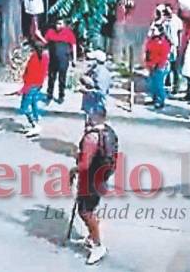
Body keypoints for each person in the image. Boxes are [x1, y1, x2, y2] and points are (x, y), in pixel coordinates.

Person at [72, 107, 118, 265]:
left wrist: (73, 170)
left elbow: (84, 165)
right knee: (89, 208)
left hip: (89, 179)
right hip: (102, 176)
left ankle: (98, 245)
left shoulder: (91, 138)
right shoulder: (109, 132)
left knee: (85, 211)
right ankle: (92, 235)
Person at [17, 42, 49, 135]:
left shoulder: (33, 58)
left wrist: (23, 89)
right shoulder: (45, 57)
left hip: (30, 85)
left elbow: (29, 74)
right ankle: (36, 119)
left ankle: (34, 124)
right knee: (34, 102)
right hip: (38, 84)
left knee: (25, 107)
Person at [43, 18, 77, 104]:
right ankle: (49, 94)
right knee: (51, 77)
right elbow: (44, 43)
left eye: (60, 23)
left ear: (64, 25)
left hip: (63, 59)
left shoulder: (68, 33)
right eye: (57, 23)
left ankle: (61, 95)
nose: (57, 25)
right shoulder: (50, 32)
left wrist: (74, 59)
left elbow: (73, 45)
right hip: (53, 59)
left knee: (62, 78)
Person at [144, 25, 171, 109]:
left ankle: (161, 100)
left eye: (153, 30)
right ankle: (154, 98)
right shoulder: (152, 40)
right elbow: (147, 50)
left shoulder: (163, 42)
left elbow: (163, 56)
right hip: (151, 65)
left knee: (159, 84)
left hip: (159, 66)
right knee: (153, 84)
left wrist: (157, 64)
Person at [80, 50, 112, 116]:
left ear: (96, 61)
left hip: (97, 108)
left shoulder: (102, 73)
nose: (87, 61)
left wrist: (86, 91)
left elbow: (101, 92)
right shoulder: (94, 71)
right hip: (91, 107)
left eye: (90, 59)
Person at [163, 3, 183, 94]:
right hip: (166, 46)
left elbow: (180, 32)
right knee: (166, 66)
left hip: (174, 45)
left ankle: (176, 87)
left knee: (175, 68)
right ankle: (167, 84)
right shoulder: (164, 20)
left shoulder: (177, 20)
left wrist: (179, 44)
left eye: (168, 10)